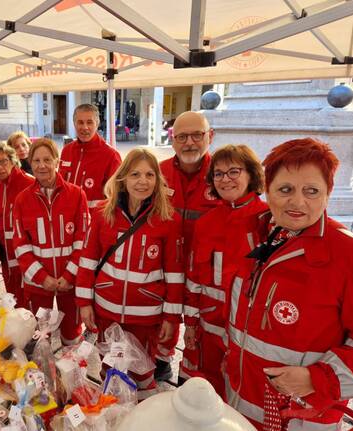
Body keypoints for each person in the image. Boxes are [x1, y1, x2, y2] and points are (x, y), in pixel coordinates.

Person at [224, 138, 353, 430]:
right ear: (267, 191)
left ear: (328, 194)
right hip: (238, 403)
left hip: (301, 416)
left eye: (311, 191)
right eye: (285, 190)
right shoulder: (253, 235)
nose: (297, 202)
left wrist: (317, 378)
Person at [75, 148, 185, 399]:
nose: (142, 181)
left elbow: (175, 275)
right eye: (135, 174)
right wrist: (84, 303)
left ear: (158, 180)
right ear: (123, 178)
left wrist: (171, 316)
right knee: (109, 369)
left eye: (149, 174)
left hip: (146, 320)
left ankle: (142, 419)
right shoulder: (102, 213)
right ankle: (112, 414)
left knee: (143, 375)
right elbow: (88, 261)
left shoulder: (168, 220)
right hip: (107, 313)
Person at [183, 144, 268, 398]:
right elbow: (194, 278)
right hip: (208, 328)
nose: (225, 179)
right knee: (206, 391)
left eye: (233, 171)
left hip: (248, 331)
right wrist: (190, 323)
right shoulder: (206, 222)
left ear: (251, 174)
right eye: (218, 174)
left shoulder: (268, 220)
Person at [158, 111, 222, 382]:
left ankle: (195, 373)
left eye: (197, 135)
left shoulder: (222, 175)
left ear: (211, 136)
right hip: (165, 265)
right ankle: (162, 359)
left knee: (203, 328)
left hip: (206, 271)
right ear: (172, 140)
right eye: (181, 136)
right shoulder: (159, 172)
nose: (189, 143)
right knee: (166, 318)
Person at [13, 138, 89, 345]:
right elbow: (20, 246)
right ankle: (43, 374)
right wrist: (41, 277)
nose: (41, 165)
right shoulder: (22, 200)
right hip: (38, 285)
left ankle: (71, 372)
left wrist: (69, 275)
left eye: (47, 159)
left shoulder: (77, 195)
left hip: (69, 283)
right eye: (36, 160)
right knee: (40, 337)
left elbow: (83, 240)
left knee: (71, 336)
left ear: (57, 162)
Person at [0, 141, 34, 305]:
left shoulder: (29, 183)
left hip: (26, 254)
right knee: (13, 297)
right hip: (5, 253)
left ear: (13, 160)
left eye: (3, 161)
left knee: (29, 297)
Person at [58, 104, 121, 213]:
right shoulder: (66, 151)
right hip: (67, 217)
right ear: (74, 124)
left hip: (95, 222)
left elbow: (117, 197)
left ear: (97, 124)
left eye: (89, 122)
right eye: (80, 122)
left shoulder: (111, 155)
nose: (85, 127)